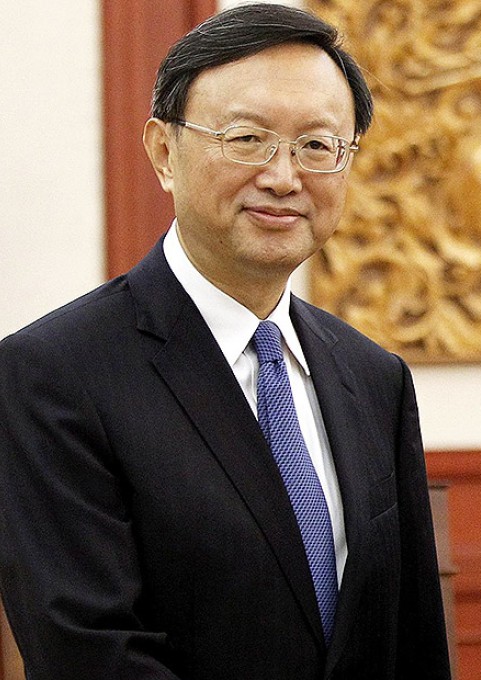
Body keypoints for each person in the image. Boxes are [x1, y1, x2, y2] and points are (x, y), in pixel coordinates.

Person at [0, 5, 450, 679]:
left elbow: (411, 639)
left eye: (317, 146)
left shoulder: (373, 377)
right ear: (163, 152)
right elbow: (90, 652)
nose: (283, 176)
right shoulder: (55, 373)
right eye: (247, 139)